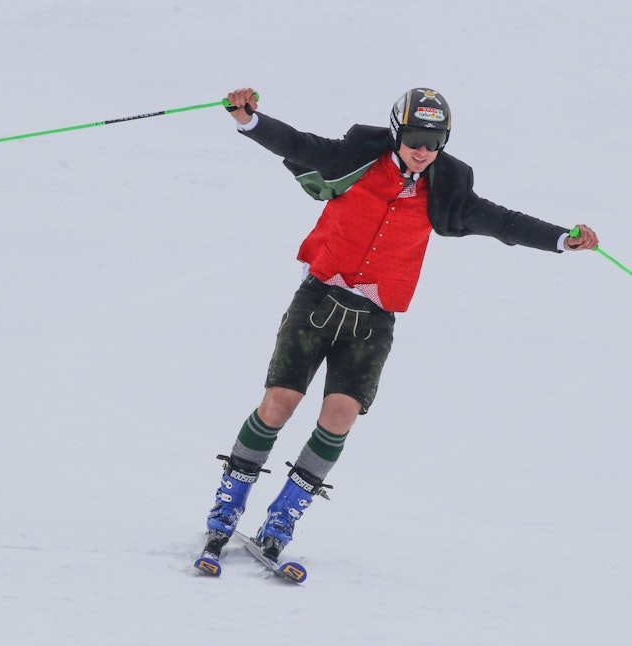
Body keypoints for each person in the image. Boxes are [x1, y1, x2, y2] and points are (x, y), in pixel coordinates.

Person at [197, 87, 598, 566]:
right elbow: (299, 144)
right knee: (279, 402)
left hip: (374, 316)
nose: (422, 149)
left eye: (433, 140)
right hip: (320, 296)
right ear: (396, 131)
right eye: (414, 136)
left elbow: (501, 221)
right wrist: (250, 121)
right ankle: (228, 505)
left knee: (340, 415)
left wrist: (560, 240)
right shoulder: (358, 155)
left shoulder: (449, 185)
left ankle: (282, 518)